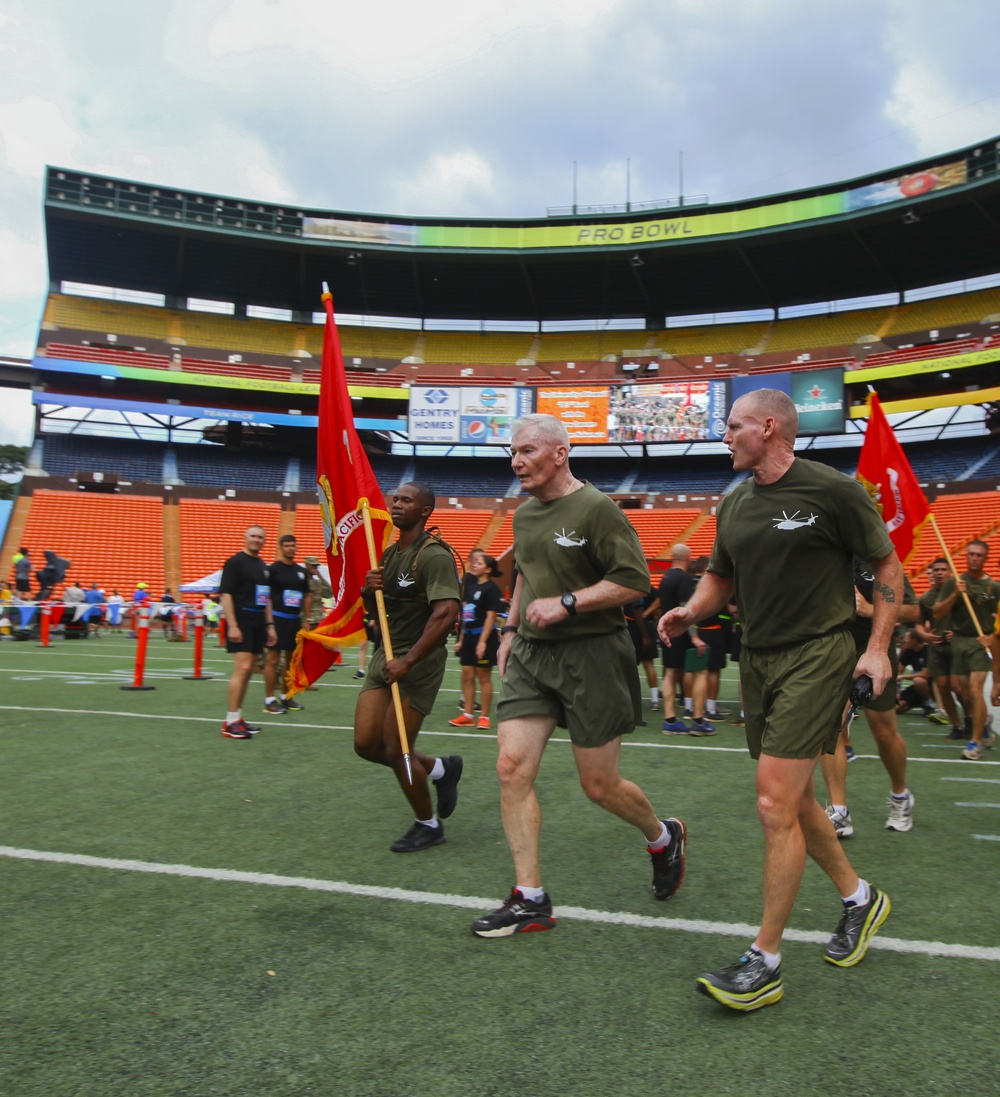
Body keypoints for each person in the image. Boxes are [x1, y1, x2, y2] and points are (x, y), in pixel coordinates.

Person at [658, 388, 900, 1011]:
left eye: (733, 425)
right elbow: (721, 577)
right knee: (790, 799)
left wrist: (876, 648)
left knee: (772, 803)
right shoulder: (733, 503)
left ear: (768, 427)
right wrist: (691, 610)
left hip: (818, 654)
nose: (725, 435)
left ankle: (764, 961)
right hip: (758, 660)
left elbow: (887, 566)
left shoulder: (833, 491)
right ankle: (860, 899)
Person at [471, 414, 685, 939]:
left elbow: (634, 582)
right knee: (510, 767)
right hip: (532, 655)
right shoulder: (522, 516)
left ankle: (663, 836)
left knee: (599, 785)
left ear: (560, 453)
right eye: (512, 453)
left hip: (593, 655)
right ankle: (530, 898)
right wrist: (510, 630)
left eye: (526, 451)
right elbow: (524, 572)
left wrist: (569, 603)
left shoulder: (597, 509)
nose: (516, 461)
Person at [354, 482, 463, 853]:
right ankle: (439, 770)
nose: (396, 505)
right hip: (385, 657)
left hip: (417, 662)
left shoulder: (433, 556)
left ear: (426, 510)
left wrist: (409, 660)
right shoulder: (387, 555)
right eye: (395, 499)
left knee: (397, 748)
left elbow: (446, 613)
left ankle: (428, 824)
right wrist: (369, 593)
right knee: (366, 744)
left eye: (406, 500)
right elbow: (377, 614)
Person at [821, 563, 919, 838]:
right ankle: (839, 811)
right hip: (833, 649)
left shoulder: (880, 557)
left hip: (875, 647)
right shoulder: (825, 549)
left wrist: (869, 608)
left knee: (884, 732)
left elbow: (914, 610)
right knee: (830, 729)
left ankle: (900, 795)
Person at [932, 541, 1000, 760]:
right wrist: (954, 595)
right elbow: (937, 614)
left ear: (985, 558)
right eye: (971, 554)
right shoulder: (955, 583)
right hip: (959, 642)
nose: (974, 558)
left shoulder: (994, 587)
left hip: (981, 643)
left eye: (979, 555)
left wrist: (991, 636)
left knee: (974, 688)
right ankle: (984, 722)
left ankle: (975, 743)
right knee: (963, 692)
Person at [218, 525, 277, 740]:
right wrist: (232, 625)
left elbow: (266, 597)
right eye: (253, 536)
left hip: (258, 621)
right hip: (241, 618)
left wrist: (270, 625)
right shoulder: (235, 562)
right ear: (245, 538)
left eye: (261, 537)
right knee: (242, 668)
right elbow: (225, 594)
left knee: (250, 669)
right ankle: (230, 721)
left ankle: (237, 717)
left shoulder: (262, 565)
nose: (257, 540)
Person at [657, 545, 712, 735]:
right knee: (700, 671)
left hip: (668, 631)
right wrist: (695, 637)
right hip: (681, 632)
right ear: (687, 557)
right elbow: (685, 610)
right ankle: (698, 720)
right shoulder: (684, 579)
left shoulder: (665, 577)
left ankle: (670, 719)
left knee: (670, 673)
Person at [450, 550, 503, 730]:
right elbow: (466, 616)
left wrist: (482, 641)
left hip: (484, 637)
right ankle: (467, 714)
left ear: (488, 569)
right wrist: (461, 638)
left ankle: (484, 717)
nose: (474, 564)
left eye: (479, 563)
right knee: (467, 673)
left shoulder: (492, 589)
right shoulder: (471, 588)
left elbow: (490, 618)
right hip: (469, 636)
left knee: (483, 676)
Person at [916, 558, 965, 736]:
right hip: (937, 648)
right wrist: (924, 635)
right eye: (936, 570)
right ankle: (957, 725)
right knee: (943, 688)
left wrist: (958, 632)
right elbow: (919, 624)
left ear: (949, 572)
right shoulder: (927, 597)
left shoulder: (960, 592)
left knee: (958, 687)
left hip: (958, 647)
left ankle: (971, 718)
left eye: (943, 570)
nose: (939, 573)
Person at [263, 534, 311, 714]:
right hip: (277, 619)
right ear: (281, 548)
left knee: (292, 661)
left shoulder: (301, 571)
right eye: (287, 546)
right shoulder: (273, 570)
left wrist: (306, 619)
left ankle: (286, 696)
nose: (291, 548)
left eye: (293, 545)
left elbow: (307, 595)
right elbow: (266, 595)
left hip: (294, 621)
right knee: (273, 660)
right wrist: (269, 623)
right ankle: (269, 698)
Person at [303, 555, 335, 689]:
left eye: (316, 566)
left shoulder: (316, 582)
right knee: (300, 651)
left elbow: (329, 593)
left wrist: (321, 577)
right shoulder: (301, 582)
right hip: (306, 620)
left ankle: (307, 680)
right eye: (313, 566)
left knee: (312, 652)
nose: (315, 568)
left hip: (317, 620)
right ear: (307, 566)